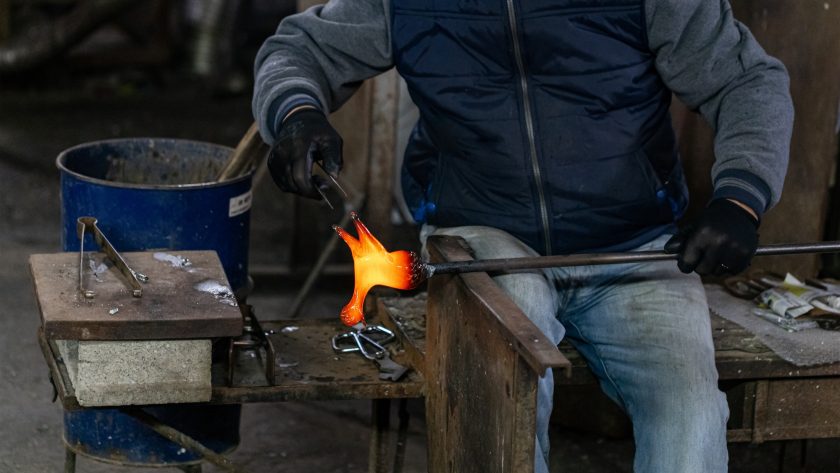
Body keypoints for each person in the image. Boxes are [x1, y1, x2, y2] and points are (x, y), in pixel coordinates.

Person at [252, 1, 793, 471]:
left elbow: (744, 80)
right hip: (486, 239)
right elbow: (301, 49)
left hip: (632, 245)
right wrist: (296, 112)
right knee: (508, 379)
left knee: (689, 415)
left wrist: (740, 199)